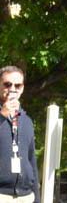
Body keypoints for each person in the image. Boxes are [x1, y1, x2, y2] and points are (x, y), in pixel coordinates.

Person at [0, 66, 38, 203]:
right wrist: (2, 117)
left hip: (25, 196)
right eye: (7, 84)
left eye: (18, 85)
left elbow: (31, 159)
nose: (12, 89)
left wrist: (36, 198)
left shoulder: (26, 121)